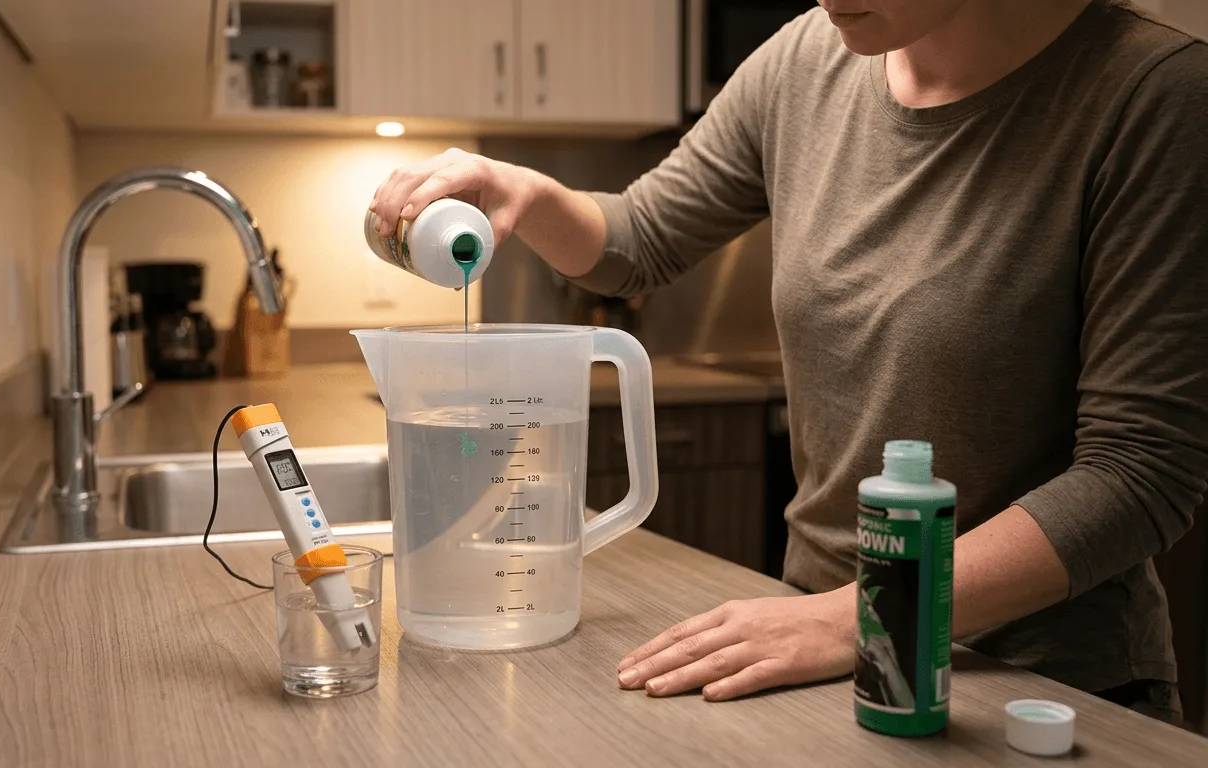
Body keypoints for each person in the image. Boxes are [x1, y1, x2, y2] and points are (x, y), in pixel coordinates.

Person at [368, 0, 1208, 721]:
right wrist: (527, 192)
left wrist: (855, 620)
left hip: (1033, 686)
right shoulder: (808, 59)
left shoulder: (1153, 95)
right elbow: (639, 244)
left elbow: (1141, 475)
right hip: (810, 651)